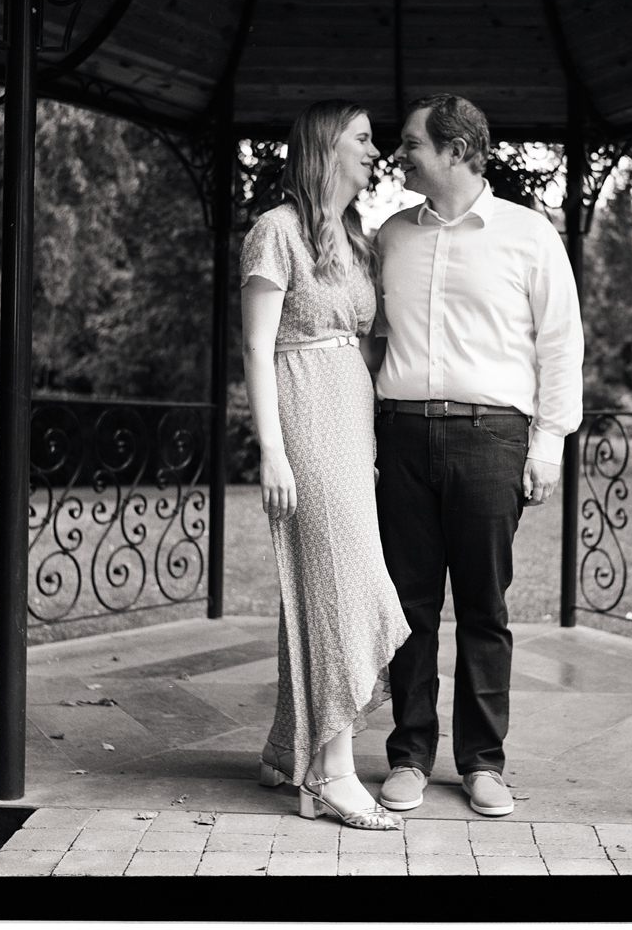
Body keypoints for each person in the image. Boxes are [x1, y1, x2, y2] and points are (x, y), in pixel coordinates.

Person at [372, 94, 584, 817]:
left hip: (493, 438)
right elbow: (366, 338)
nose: (399, 155)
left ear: (456, 150)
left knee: (484, 610)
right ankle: (407, 757)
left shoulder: (528, 236)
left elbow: (561, 344)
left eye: (411, 144)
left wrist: (549, 446)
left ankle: (483, 765)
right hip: (399, 437)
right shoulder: (391, 236)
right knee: (409, 607)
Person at [240, 99, 410, 831]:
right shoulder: (273, 232)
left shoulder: (354, 234)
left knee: (321, 585)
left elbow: (364, 344)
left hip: (351, 418)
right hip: (304, 413)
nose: (378, 152)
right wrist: (271, 450)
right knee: (350, 584)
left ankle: (295, 748)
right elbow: (256, 348)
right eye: (365, 138)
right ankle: (336, 773)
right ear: (324, 147)